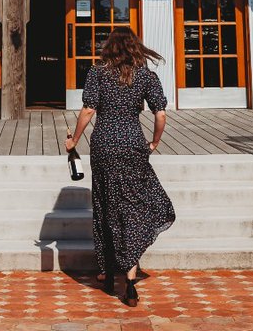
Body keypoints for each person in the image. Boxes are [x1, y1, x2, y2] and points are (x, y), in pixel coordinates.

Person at [64, 27, 176, 307]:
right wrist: (154, 142)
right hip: (133, 145)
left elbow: (89, 110)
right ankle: (130, 274)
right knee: (132, 207)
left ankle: (107, 269)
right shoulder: (146, 76)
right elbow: (160, 113)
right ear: (136, 48)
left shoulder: (97, 73)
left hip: (103, 146)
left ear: (109, 48)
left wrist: (74, 140)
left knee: (105, 203)